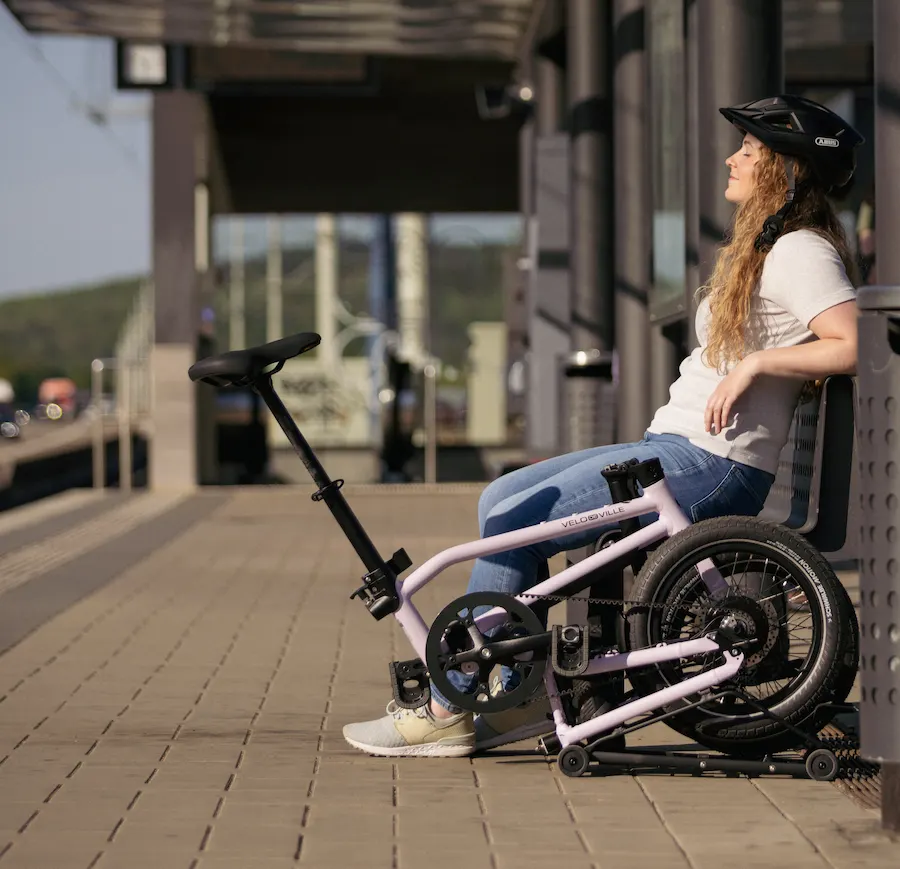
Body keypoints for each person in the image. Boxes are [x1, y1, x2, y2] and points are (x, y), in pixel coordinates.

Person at [343, 94, 863, 758]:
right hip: (677, 451)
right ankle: (504, 690)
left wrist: (757, 363)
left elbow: (850, 342)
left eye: (750, 151)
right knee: (500, 499)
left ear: (784, 173)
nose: (733, 158)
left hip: (710, 466)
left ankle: (452, 702)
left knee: (512, 513)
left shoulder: (799, 251)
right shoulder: (771, 246)